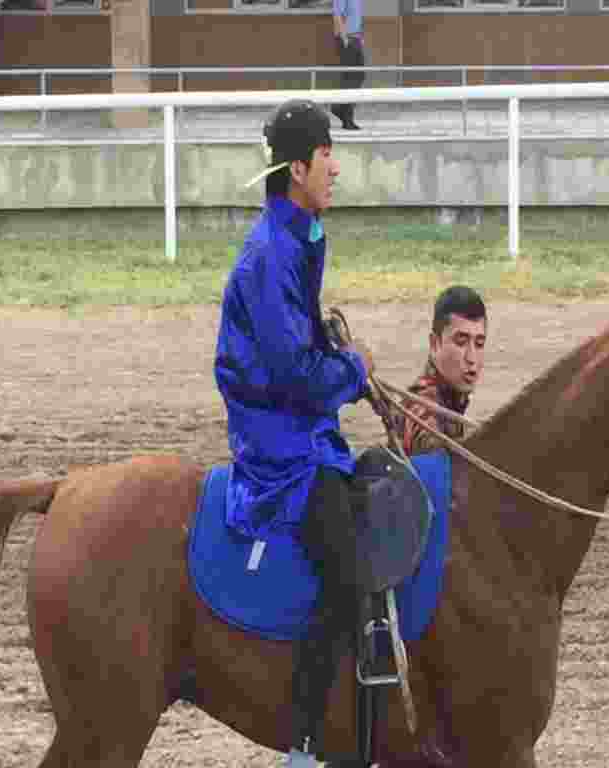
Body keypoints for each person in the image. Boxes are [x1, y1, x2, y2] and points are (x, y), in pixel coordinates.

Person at [214, 98, 375, 768]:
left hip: (301, 429)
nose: (337, 168)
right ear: (300, 168)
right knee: (346, 565)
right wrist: (354, 368)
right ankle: (305, 745)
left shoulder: (298, 238)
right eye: (328, 154)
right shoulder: (270, 256)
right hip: (278, 447)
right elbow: (296, 373)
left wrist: (343, 365)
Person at [393, 285, 487, 456]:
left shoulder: (450, 399)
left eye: (479, 344)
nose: (472, 358)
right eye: (461, 342)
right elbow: (435, 453)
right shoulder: (422, 409)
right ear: (435, 344)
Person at [331, 0, 364, 130]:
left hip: (355, 38)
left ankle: (341, 109)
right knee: (351, 77)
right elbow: (337, 15)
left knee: (358, 76)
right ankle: (346, 116)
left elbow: (355, 17)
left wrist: (360, 38)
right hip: (347, 39)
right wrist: (344, 38)